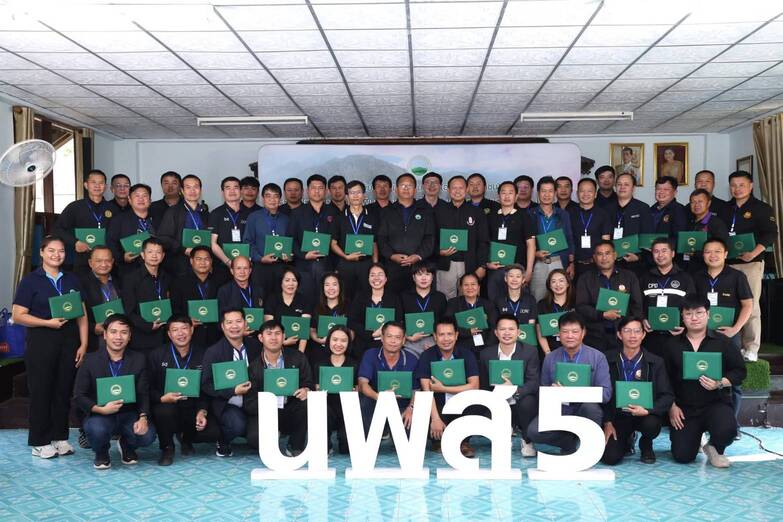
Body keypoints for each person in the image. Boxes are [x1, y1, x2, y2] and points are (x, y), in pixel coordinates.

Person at [12, 235, 88, 459]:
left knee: (63, 391)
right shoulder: (30, 281)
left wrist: (84, 343)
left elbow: (82, 314)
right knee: (41, 391)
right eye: (51, 250)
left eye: (61, 251)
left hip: (69, 342)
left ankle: (59, 437)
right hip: (41, 342)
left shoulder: (72, 279)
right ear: (42, 253)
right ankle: (39, 441)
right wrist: (47, 323)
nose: (57, 255)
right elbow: (18, 315)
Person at [665, 297, 746, 467]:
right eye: (688, 314)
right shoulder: (672, 345)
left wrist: (720, 383)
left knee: (727, 430)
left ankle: (714, 447)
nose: (694, 318)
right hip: (684, 407)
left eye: (699, 313)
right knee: (682, 456)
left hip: (715, 403)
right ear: (682, 317)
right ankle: (694, 439)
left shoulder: (723, 342)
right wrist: (672, 406)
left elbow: (740, 371)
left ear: (708, 314)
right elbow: (664, 379)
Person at [73, 314, 156, 469]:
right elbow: (79, 396)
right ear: (105, 334)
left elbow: (143, 392)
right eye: (113, 332)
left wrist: (143, 417)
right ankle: (101, 452)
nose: (118, 337)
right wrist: (100, 409)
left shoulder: (139, 359)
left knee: (147, 435)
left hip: (129, 413)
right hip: (100, 414)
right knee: (96, 430)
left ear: (130, 336)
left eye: (124, 332)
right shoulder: (90, 360)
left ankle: (127, 445)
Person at [527, 312, 612, 455]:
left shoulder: (598, 357)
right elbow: (543, 392)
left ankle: (589, 448)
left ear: (583, 333)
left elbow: (606, 394)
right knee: (533, 431)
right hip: (560, 409)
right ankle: (569, 441)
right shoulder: (550, 358)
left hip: (584, 408)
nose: (570, 336)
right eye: (565, 331)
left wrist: (570, 393)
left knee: (591, 409)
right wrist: (553, 393)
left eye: (575, 331)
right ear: (559, 334)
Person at [718, 170, 778, 361]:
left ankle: (751, 348)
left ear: (751, 186)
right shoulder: (724, 208)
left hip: (751, 263)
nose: (737, 189)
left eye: (741, 185)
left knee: (750, 304)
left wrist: (753, 253)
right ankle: (730, 345)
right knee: (728, 305)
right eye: (733, 185)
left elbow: (770, 234)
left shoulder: (762, 208)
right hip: (726, 264)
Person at [693, 237, 753, 425]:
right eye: (708, 251)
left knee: (733, 380)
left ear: (726, 254)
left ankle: (732, 424)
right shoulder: (696, 277)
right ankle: (705, 422)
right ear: (703, 255)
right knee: (701, 375)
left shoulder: (737, 276)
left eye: (717, 251)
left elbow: (748, 305)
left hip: (729, 336)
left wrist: (735, 329)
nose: (713, 255)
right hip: (703, 336)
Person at [601, 316, 673, 465]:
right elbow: (602, 392)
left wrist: (648, 410)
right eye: (627, 331)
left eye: (637, 331)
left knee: (651, 424)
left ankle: (646, 443)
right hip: (618, 416)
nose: (632, 335)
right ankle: (627, 440)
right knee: (610, 458)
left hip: (645, 415)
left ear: (643, 334)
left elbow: (667, 395)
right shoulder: (607, 360)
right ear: (619, 334)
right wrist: (607, 422)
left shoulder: (656, 362)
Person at [148, 316, 217, 466]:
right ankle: (167, 447)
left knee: (214, 431)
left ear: (192, 330)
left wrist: (202, 411)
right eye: (175, 330)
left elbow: (207, 387)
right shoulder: (157, 355)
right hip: (167, 404)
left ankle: (187, 439)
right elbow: (148, 387)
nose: (180, 333)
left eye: (184, 328)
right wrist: (162, 398)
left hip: (194, 404)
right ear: (169, 334)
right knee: (163, 411)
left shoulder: (204, 354)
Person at [244, 319, 313, 455]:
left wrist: (306, 390)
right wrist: (267, 402)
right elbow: (249, 403)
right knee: (255, 439)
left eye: (277, 333)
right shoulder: (253, 367)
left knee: (307, 403)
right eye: (269, 334)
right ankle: (274, 433)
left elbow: (309, 382)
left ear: (284, 336)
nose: (274, 338)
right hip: (266, 412)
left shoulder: (298, 357)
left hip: (290, 408)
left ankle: (295, 446)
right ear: (261, 338)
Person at [415, 317, 480, 457]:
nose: (446, 339)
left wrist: (443, 388)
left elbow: (474, 386)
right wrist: (435, 419)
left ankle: (463, 441)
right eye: (441, 334)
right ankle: (438, 440)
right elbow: (426, 390)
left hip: (460, 405)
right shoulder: (427, 355)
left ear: (456, 335)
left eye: (450, 334)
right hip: (437, 406)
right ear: (435, 336)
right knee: (423, 406)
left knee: (475, 403)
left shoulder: (466, 354)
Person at [201, 309, 262, 457]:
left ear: (245, 323)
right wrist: (233, 390)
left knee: (259, 439)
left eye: (238, 321)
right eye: (229, 322)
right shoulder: (213, 352)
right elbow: (206, 384)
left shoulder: (256, 347)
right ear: (223, 326)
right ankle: (223, 439)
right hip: (228, 403)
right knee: (237, 425)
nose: (234, 326)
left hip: (253, 402)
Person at [479, 314, 540, 457]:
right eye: (502, 329)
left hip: (520, 398)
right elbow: (483, 384)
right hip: (497, 400)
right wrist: (496, 396)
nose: (507, 333)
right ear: (496, 332)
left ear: (518, 332)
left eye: (511, 329)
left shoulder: (530, 351)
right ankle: (503, 435)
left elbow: (533, 382)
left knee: (529, 402)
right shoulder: (486, 354)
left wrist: (514, 390)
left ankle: (527, 440)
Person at [575, 241, 642, 352]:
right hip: (594, 335)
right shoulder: (585, 279)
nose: (604, 258)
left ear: (615, 255)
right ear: (594, 257)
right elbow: (581, 307)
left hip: (623, 335)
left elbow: (637, 305)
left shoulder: (629, 277)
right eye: (600, 254)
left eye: (607, 253)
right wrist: (602, 314)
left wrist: (632, 330)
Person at [357, 322, 419, 435]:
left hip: (402, 405)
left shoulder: (412, 359)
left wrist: (411, 408)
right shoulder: (370, 354)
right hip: (375, 402)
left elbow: (417, 389)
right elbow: (362, 384)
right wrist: (379, 397)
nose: (393, 341)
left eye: (398, 337)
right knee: (363, 403)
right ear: (382, 338)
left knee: (410, 432)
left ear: (403, 340)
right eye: (389, 336)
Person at [378, 173, 435, 294]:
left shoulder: (425, 211)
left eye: (409, 185)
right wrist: (392, 256)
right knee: (393, 299)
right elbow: (381, 238)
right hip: (392, 266)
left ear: (415, 190)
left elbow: (430, 238)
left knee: (417, 300)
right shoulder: (386, 211)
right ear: (396, 189)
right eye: (403, 185)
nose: (406, 188)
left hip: (419, 267)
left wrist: (418, 256)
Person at [434, 175, 489, 299]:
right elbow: (431, 237)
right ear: (448, 190)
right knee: (445, 298)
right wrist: (439, 251)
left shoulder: (477, 212)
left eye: (461, 188)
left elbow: (483, 241)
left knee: (469, 299)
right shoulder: (439, 211)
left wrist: (482, 265)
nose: (457, 191)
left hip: (470, 265)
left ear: (467, 189)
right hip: (446, 264)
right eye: (454, 188)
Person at [639, 238, 694, 359]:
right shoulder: (644, 278)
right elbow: (637, 303)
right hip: (650, 336)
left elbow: (692, 305)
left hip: (677, 335)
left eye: (664, 251)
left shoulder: (685, 278)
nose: (660, 255)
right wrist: (642, 319)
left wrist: (685, 326)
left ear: (672, 253)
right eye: (656, 251)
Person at [53, 169, 113, 274]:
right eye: (93, 182)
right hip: (81, 260)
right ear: (86, 185)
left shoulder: (112, 208)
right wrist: (75, 242)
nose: (97, 186)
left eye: (101, 183)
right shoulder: (75, 207)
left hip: (106, 261)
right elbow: (57, 229)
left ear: (106, 186)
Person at [486, 180, 536, 302]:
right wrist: (487, 263)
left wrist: (529, 270)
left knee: (518, 303)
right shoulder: (491, 216)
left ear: (516, 196)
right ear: (498, 196)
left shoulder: (524, 216)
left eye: (510, 193)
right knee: (495, 303)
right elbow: (484, 243)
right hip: (495, 269)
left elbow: (531, 244)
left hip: (517, 270)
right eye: (503, 193)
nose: (507, 196)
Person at [289, 174, 339, 297]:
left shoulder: (334, 212)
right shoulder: (296, 213)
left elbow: (338, 239)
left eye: (320, 188)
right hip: (304, 264)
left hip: (328, 264)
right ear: (307, 191)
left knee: (326, 298)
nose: (317, 191)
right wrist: (304, 255)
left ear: (326, 191)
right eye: (313, 188)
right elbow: (291, 240)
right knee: (306, 298)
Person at [312, 326, 358, 454]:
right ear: (329, 341)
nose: (338, 344)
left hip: (347, 409)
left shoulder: (354, 364)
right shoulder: (319, 365)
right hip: (327, 408)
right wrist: (318, 390)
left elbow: (359, 388)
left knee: (346, 449)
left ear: (349, 343)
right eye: (335, 339)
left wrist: (355, 391)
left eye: (343, 340)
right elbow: (315, 389)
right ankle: (325, 443)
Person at [170, 246, 227, 348]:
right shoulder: (179, 282)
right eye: (198, 259)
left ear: (211, 261)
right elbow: (175, 308)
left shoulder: (221, 280)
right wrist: (186, 320)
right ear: (191, 261)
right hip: (191, 336)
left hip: (216, 335)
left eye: (206, 259)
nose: (203, 262)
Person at [121, 237, 171, 351]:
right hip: (141, 338)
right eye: (150, 252)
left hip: (164, 337)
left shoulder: (167, 278)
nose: (154, 256)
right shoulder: (130, 279)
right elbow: (128, 311)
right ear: (143, 255)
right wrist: (148, 325)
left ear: (163, 256)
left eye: (158, 252)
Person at [331, 180, 379, 297]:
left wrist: (375, 265)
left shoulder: (372, 217)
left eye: (358, 192)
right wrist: (345, 256)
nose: (355, 196)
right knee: (345, 296)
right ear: (347, 197)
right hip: (345, 263)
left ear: (364, 195)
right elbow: (333, 243)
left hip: (366, 264)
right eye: (352, 193)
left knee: (367, 295)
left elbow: (374, 243)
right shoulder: (339, 218)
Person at [529, 176, 575, 300]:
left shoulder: (563, 214)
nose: (547, 195)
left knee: (560, 298)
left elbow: (569, 239)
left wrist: (571, 263)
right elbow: (525, 241)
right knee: (537, 297)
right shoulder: (530, 214)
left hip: (558, 261)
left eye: (550, 191)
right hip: (538, 263)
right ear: (538, 193)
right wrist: (535, 253)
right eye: (543, 191)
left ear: (555, 193)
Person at [157, 174, 210, 277]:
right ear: (182, 190)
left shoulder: (205, 213)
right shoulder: (173, 211)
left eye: (196, 187)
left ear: (200, 190)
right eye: (188, 187)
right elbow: (163, 238)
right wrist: (184, 249)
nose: (192, 191)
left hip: (204, 264)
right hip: (180, 265)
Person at [244, 182, 291, 294]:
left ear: (280, 199)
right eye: (268, 196)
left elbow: (291, 242)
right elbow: (247, 242)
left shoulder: (286, 219)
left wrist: (289, 255)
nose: (272, 200)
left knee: (280, 298)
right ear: (263, 198)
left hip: (281, 267)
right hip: (260, 267)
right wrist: (260, 258)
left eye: (275, 196)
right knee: (261, 299)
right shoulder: (254, 217)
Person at [349, 263, 403, 358]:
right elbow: (352, 322)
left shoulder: (394, 298)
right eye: (372, 275)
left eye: (380, 275)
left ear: (386, 279)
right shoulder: (360, 297)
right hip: (364, 343)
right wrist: (372, 334)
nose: (376, 278)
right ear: (368, 279)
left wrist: (386, 332)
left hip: (388, 343)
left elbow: (399, 321)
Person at [107, 183, 157, 280]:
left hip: (155, 269)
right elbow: (111, 243)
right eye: (137, 196)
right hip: (129, 270)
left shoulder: (158, 219)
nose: (141, 199)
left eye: (144, 196)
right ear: (129, 200)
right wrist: (122, 257)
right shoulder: (119, 220)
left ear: (150, 200)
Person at [79, 246, 122, 354]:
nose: (103, 264)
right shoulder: (81, 284)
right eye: (98, 261)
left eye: (107, 260)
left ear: (112, 262)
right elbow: (76, 316)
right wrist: (92, 327)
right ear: (90, 263)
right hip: (95, 342)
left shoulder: (121, 281)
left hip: (120, 339)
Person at [609, 172, 653, 276]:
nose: (622, 187)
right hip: (611, 263)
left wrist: (639, 257)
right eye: (619, 184)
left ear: (633, 188)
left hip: (636, 263)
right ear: (615, 187)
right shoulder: (607, 209)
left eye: (626, 184)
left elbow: (647, 238)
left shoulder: (643, 208)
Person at [400, 262, 447, 357]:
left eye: (427, 274)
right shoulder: (404, 296)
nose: (424, 278)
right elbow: (398, 321)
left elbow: (445, 322)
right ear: (413, 277)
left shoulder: (440, 297)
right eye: (419, 274)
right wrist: (407, 337)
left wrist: (437, 341)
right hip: (410, 342)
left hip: (434, 342)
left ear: (432, 277)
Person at [568, 178, 612, 279]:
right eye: (582, 191)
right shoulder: (569, 213)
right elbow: (568, 240)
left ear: (595, 194)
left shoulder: (603, 214)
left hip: (597, 264)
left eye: (589, 191)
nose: (585, 194)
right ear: (577, 193)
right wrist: (571, 263)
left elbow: (606, 242)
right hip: (575, 265)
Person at [263, 266, 313, 354]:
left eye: (294, 280)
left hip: (298, 347)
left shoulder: (304, 300)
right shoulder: (272, 300)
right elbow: (269, 328)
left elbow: (304, 332)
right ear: (281, 282)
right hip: (275, 347)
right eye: (287, 280)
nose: (291, 284)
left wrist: (300, 355)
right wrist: (283, 342)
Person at [445, 273, 497, 355]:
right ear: (461, 287)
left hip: (484, 347)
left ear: (478, 287)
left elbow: (494, 328)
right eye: (466, 285)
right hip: (460, 347)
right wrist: (468, 331)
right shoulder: (453, 303)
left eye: (473, 284)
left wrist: (488, 348)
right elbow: (448, 326)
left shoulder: (488, 304)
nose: (470, 288)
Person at [208, 176, 252, 273]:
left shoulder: (249, 214)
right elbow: (212, 243)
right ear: (222, 192)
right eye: (228, 188)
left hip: (245, 267)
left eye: (235, 187)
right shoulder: (216, 213)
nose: (232, 191)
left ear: (241, 191)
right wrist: (228, 262)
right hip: (223, 266)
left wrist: (247, 262)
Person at [309, 272, 352, 363]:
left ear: (340, 287)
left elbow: (352, 331)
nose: (331, 288)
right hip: (320, 350)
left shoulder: (348, 306)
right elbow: (312, 330)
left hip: (343, 351)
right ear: (323, 288)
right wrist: (319, 340)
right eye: (327, 285)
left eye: (334, 284)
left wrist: (342, 342)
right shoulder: (316, 307)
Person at [684, 189, 729, 274]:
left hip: (708, 271)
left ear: (708, 203)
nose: (696, 205)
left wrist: (695, 253)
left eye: (700, 201)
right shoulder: (689, 223)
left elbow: (721, 248)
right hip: (689, 269)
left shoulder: (716, 223)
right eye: (693, 202)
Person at [536, 269, 575, 359]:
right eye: (553, 281)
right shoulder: (542, 304)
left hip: (572, 350)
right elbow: (539, 332)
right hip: (549, 349)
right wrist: (548, 353)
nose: (558, 284)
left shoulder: (575, 303)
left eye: (561, 281)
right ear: (549, 285)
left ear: (568, 284)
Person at [493, 264, 537, 328]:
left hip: (524, 334)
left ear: (523, 280)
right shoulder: (498, 300)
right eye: (511, 276)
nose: (514, 279)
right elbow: (496, 325)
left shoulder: (530, 300)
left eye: (518, 276)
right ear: (505, 278)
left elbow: (531, 326)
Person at [650, 176, 687, 241]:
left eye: (666, 189)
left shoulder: (679, 210)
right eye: (658, 189)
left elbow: (679, 237)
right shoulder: (650, 209)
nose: (661, 192)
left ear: (675, 192)